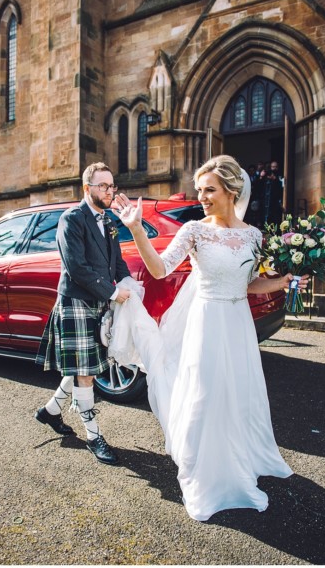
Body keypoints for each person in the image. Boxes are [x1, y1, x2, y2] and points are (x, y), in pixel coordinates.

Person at [110, 155, 306, 521]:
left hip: (238, 323)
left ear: (232, 191)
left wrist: (282, 281)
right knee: (207, 391)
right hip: (206, 321)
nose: (201, 196)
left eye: (209, 189)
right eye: (199, 190)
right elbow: (159, 267)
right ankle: (207, 471)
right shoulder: (194, 231)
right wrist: (136, 229)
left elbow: (248, 283)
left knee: (238, 391)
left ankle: (238, 458)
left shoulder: (253, 235)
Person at [35, 163, 131, 464]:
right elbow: (76, 267)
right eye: (103, 186)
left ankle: (50, 411)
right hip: (76, 302)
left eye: (112, 185)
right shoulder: (71, 219)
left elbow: (117, 262)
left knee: (82, 366)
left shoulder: (109, 220)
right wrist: (113, 292)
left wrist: (129, 284)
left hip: (98, 302)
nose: (109, 191)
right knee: (86, 372)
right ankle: (93, 436)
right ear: (86, 188)